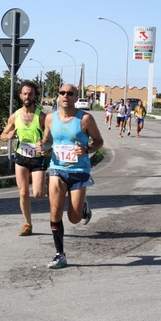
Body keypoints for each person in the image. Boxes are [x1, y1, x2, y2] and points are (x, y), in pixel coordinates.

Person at [37, 84, 104, 269]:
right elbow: (47, 141)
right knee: (55, 210)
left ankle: (83, 207)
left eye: (70, 93)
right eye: (62, 93)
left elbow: (99, 141)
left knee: (74, 218)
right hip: (57, 169)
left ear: (76, 98)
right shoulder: (50, 118)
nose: (65, 96)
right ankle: (60, 254)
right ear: (58, 96)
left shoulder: (85, 119)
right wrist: (43, 148)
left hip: (79, 171)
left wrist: (88, 149)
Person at [0, 80, 48, 236]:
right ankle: (28, 224)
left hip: (37, 158)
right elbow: (2, 136)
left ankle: (48, 187)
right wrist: (8, 136)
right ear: (20, 96)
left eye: (30, 94)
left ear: (35, 96)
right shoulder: (14, 117)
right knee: (23, 192)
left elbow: (52, 138)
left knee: (39, 194)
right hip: (21, 157)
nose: (27, 96)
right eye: (25, 93)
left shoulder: (41, 117)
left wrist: (45, 145)